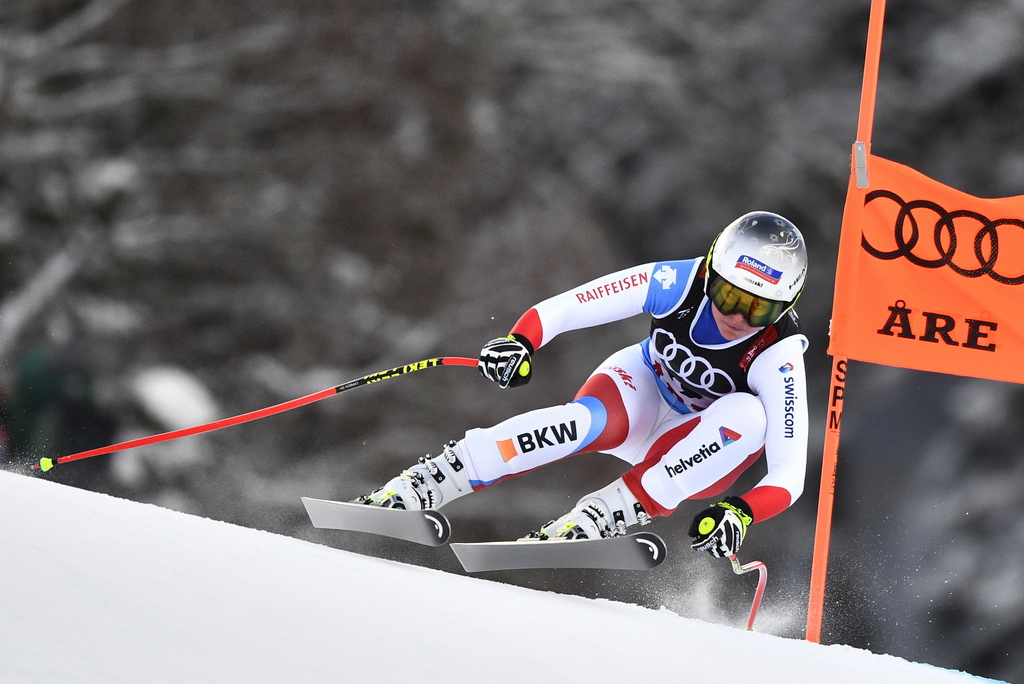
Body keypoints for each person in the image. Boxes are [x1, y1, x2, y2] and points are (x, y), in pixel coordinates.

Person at [357, 211, 809, 559]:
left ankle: (602, 515)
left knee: (750, 416)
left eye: (759, 309)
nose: (737, 317)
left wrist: (741, 512)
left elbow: (790, 475)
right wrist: (520, 342)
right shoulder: (677, 281)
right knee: (579, 423)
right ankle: (427, 483)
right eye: (730, 296)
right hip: (642, 397)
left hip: (698, 447)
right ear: (711, 271)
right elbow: (570, 306)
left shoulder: (779, 353)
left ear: (784, 306)